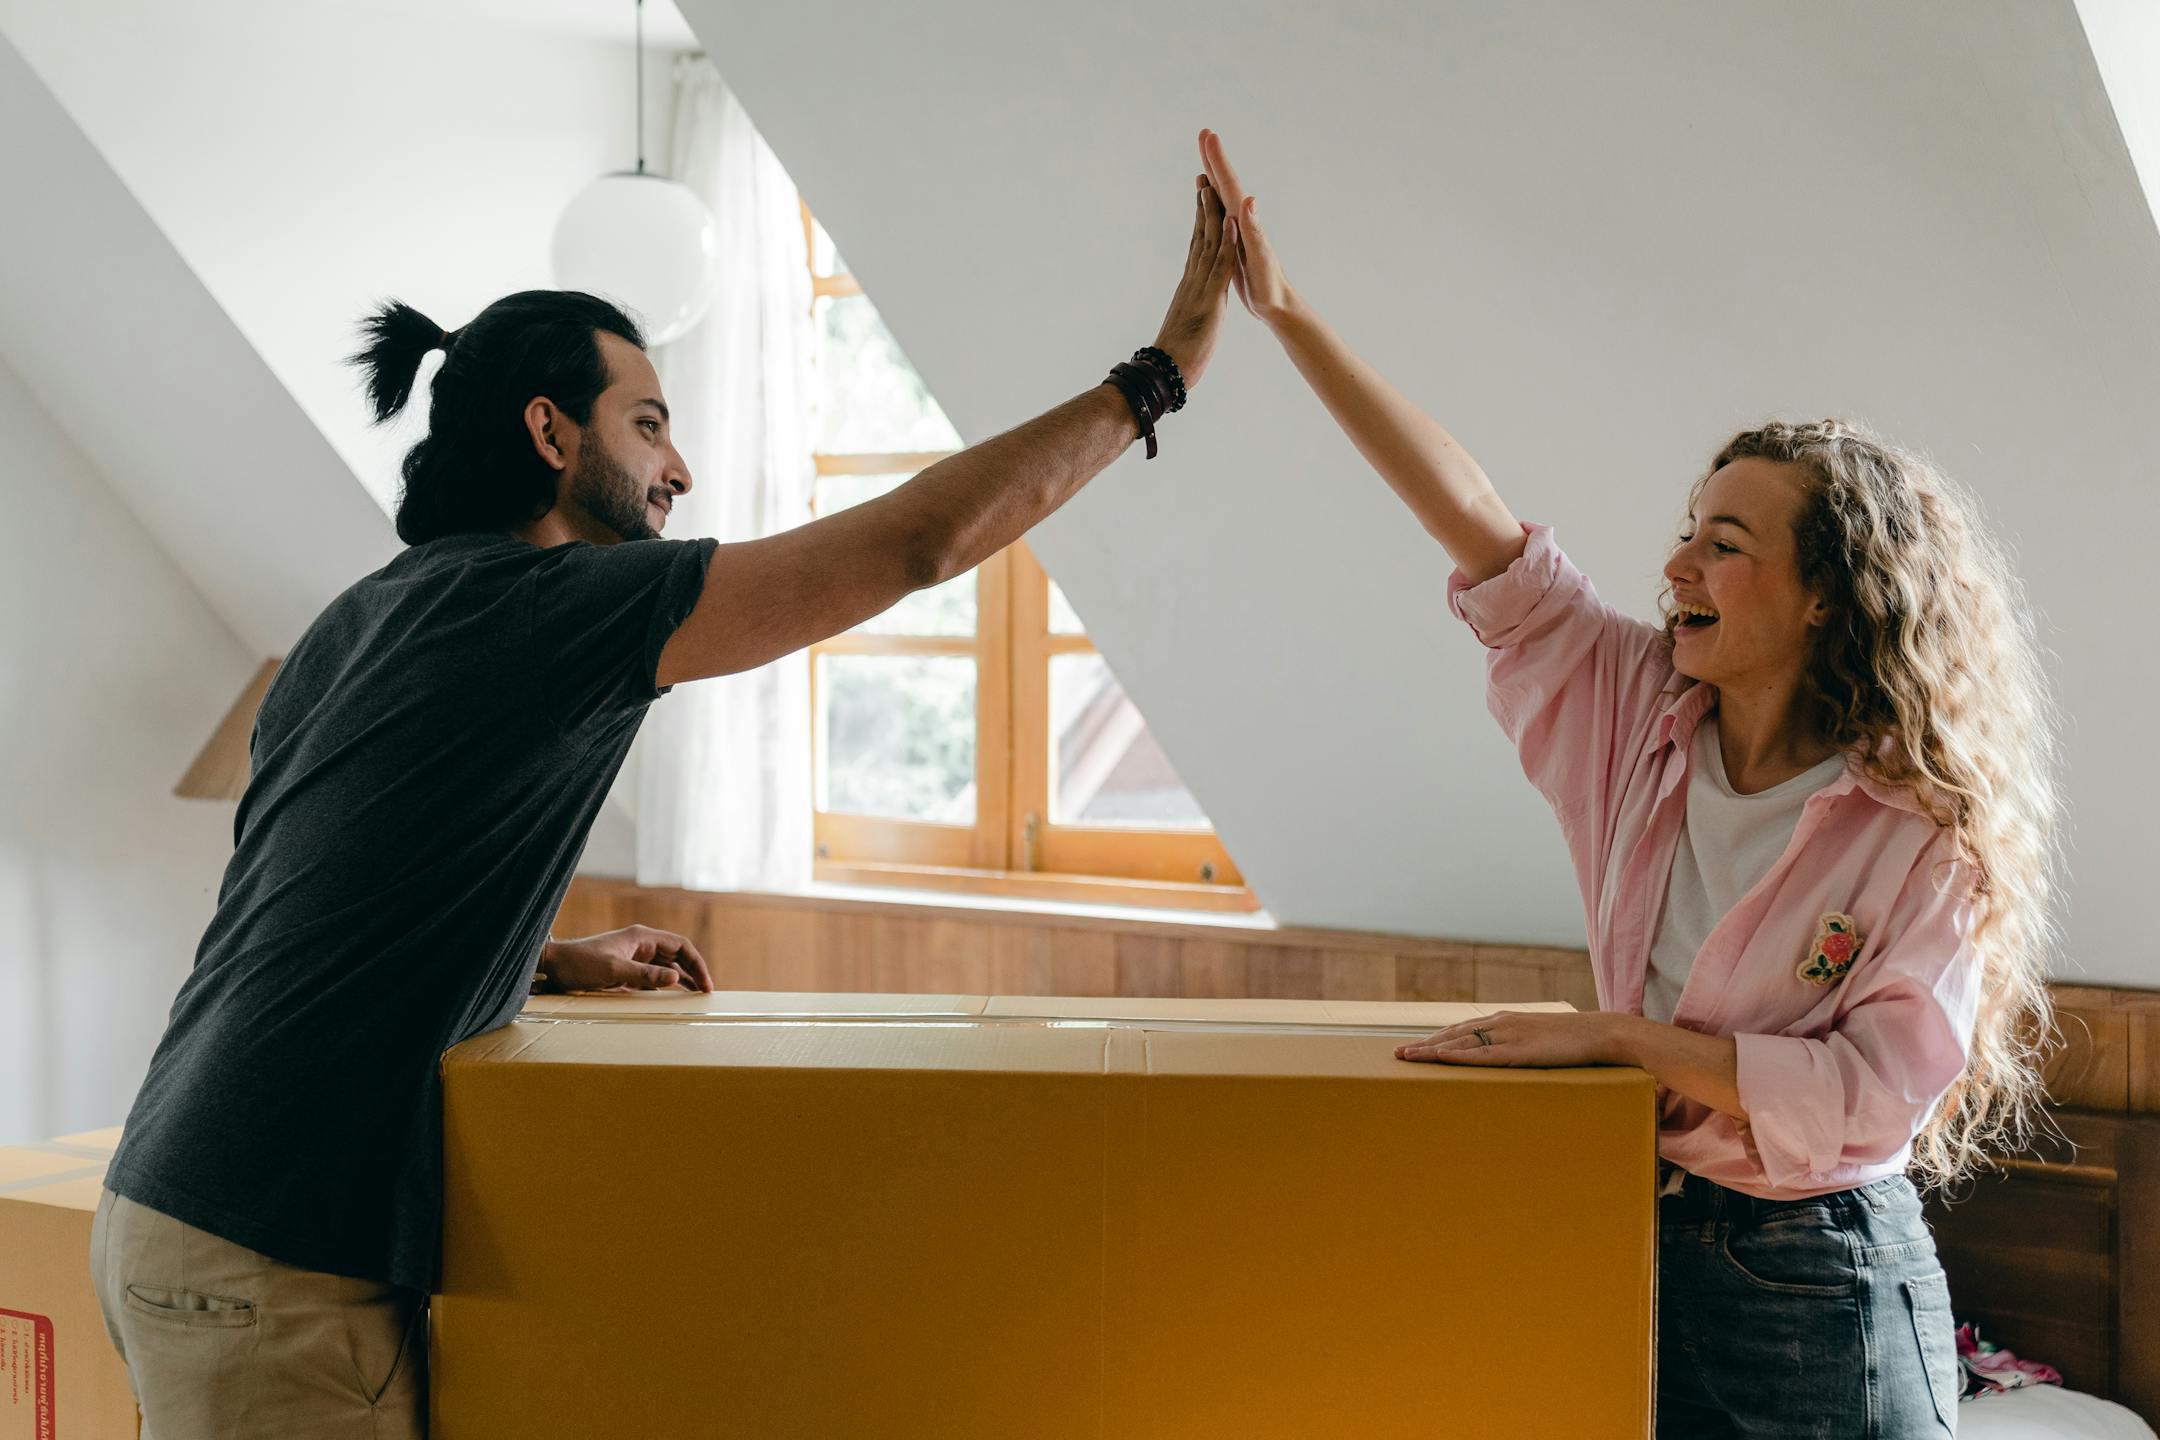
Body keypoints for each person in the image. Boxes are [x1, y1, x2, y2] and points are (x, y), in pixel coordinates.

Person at [88, 174, 1240, 1439]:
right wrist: (1159, 376)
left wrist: (545, 957)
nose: (679, 466)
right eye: (648, 424)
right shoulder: (557, 609)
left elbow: (331, 902)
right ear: (551, 434)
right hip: (274, 1257)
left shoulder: (365, 613)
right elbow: (920, 544)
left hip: (173, 1194)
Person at [1196, 129, 2061, 1436]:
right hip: (1637, 1232)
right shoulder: (1629, 711)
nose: (1679, 570)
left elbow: (1868, 1099)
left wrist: (1614, 1041)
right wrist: (1288, 313)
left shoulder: (1921, 830)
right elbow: (1473, 509)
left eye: (1725, 544)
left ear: (1830, 598)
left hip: (1822, 1279)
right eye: (1683, 536)